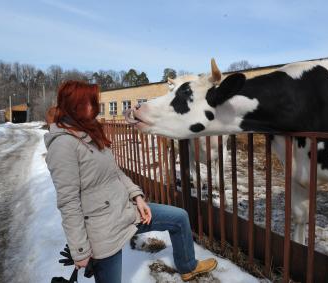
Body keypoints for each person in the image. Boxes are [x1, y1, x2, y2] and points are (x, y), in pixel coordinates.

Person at [44, 80, 217, 283]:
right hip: (103, 233)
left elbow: (115, 172)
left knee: (179, 218)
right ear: (74, 106)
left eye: (94, 101)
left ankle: (188, 266)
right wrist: (80, 250)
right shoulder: (63, 145)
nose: (95, 107)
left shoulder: (88, 132)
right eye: (90, 102)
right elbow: (68, 202)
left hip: (126, 211)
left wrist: (138, 198)